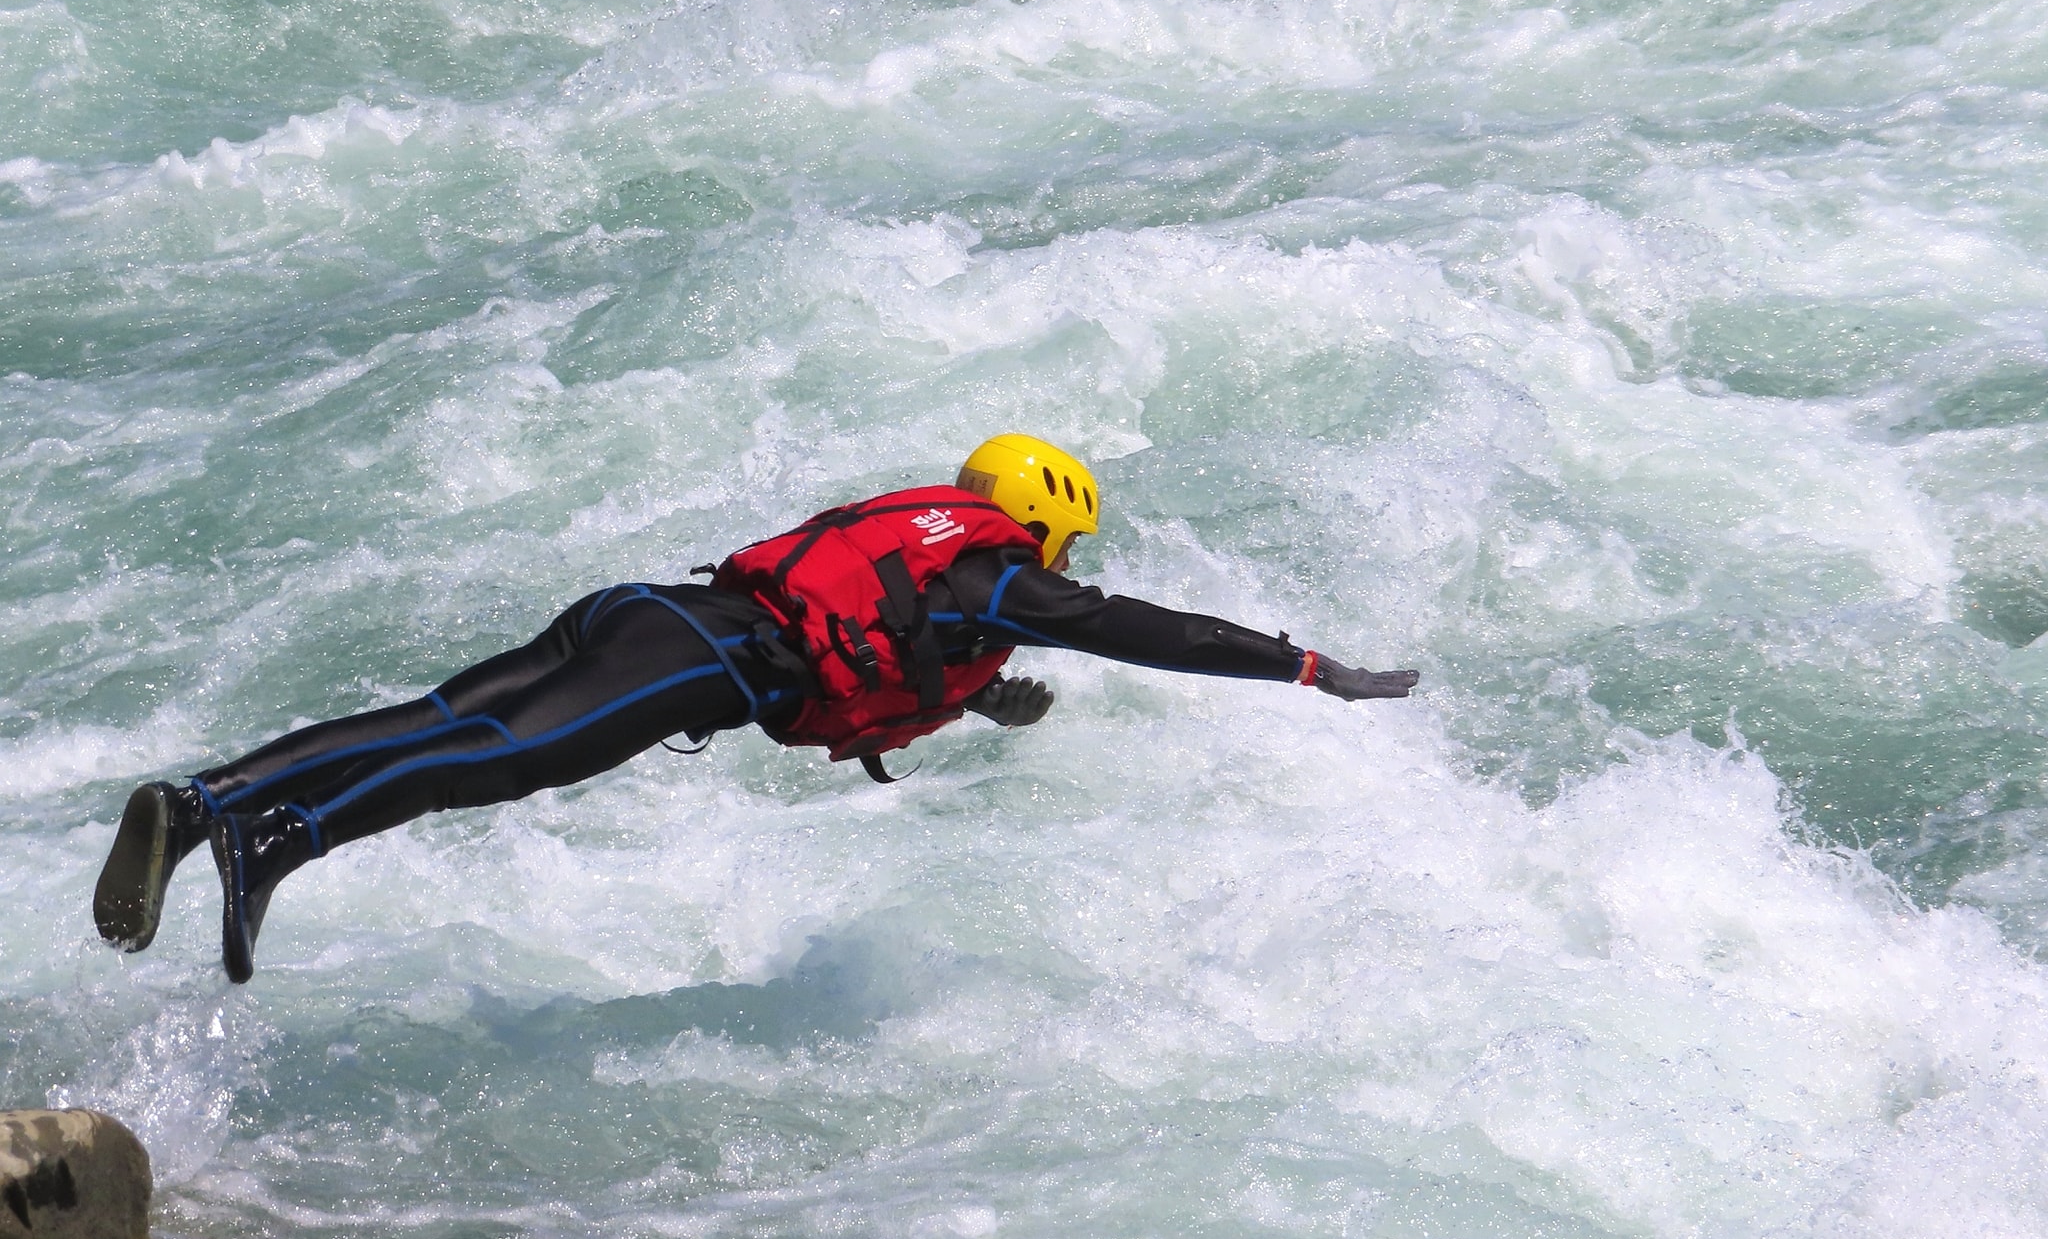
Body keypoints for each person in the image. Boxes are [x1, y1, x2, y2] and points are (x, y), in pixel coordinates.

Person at [93, 435, 1419, 983]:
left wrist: (974, 698)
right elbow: (1152, 634)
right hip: (711, 661)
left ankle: (215, 805)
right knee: (488, 761)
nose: (1058, 579)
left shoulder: (935, 545)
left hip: (643, 612)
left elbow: (899, 644)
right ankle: (267, 837)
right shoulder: (999, 569)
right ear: (1048, 522)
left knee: (440, 718)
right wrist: (1312, 669)